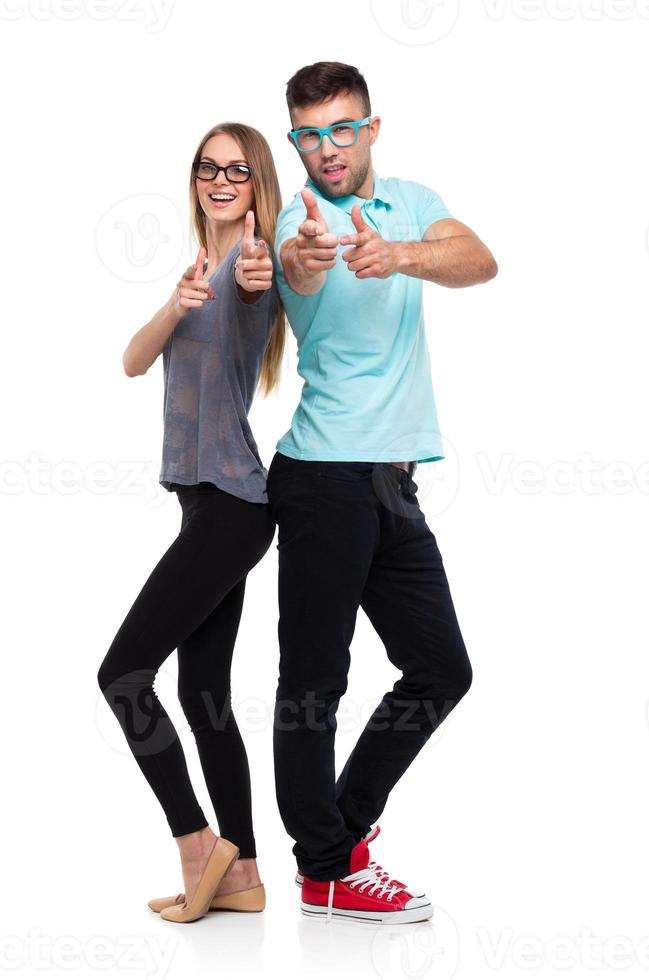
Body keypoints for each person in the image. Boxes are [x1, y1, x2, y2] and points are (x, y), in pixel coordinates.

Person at [267, 61, 498, 923]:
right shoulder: (297, 222)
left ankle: (344, 832)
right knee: (314, 682)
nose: (327, 149)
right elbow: (295, 264)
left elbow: (479, 260)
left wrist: (399, 252)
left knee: (440, 668)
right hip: (323, 479)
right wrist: (312, 253)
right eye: (309, 134)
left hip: (392, 482)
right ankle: (324, 869)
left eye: (341, 128)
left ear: (369, 128)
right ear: (295, 141)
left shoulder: (408, 199)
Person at [97, 122, 284, 923]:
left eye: (236, 169)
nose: (218, 178)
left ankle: (199, 847)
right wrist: (176, 302)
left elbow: (255, 287)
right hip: (211, 507)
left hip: (233, 506)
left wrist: (248, 269)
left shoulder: (250, 264)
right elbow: (133, 360)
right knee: (203, 692)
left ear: (255, 182)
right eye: (207, 167)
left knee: (121, 675)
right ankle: (241, 878)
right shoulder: (196, 271)